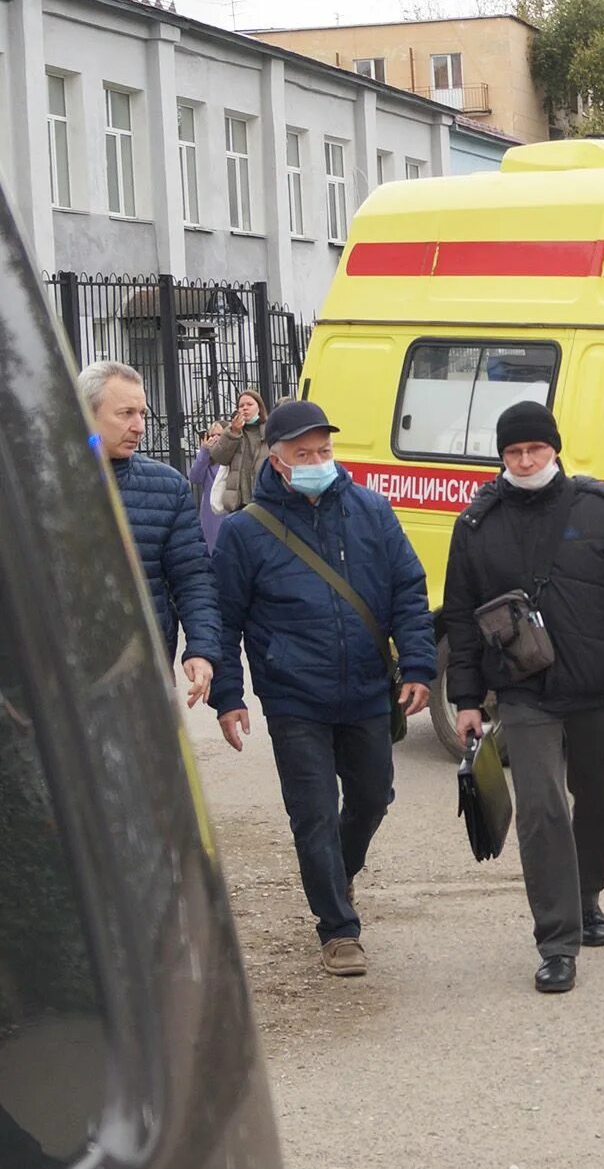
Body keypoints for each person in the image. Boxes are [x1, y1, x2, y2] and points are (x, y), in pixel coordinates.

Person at [442, 402, 604, 994]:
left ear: (554, 450)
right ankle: (557, 941)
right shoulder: (476, 525)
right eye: (514, 452)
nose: (525, 461)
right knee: (542, 810)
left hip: (597, 686)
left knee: (598, 802)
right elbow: (462, 621)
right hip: (524, 694)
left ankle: (587, 892)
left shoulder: (599, 510)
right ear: (501, 457)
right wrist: (467, 699)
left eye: (535, 450)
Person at [211, 400, 435, 978]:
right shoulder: (245, 532)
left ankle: (339, 872)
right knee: (312, 814)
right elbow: (223, 620)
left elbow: (409, 589)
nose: (317, 461)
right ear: (278, 460)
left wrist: (418, 665)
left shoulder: (370, 511)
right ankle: (338, 930)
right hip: (294, 698)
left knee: (372, 799)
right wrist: (229, 698)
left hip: (364, 689)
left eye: (324, 451)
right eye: (304, 454)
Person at [79, 361, 218, 708]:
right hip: (58, 677)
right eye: (125, 413)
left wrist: (201, 648)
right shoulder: (37, 484)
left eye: (142, 413)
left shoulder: (167, 487)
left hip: (143, 675)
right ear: (84, 413)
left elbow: (193, 576)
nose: (139, 426)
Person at [204, 389, 270, 519]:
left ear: (259, 408)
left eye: (249, 404)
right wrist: (233, 432)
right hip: (239, 502)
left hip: (264, 499)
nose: (245, 408)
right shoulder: (232, 431)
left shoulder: (268, 430)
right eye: (241, 406)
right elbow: (219, 457)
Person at [187, 424, 225, 551]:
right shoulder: (207, 460)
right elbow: (194, 477)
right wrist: (204, 451)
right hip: (211, 516)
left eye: (219, 435)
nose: (215, 438)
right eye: (212, 435)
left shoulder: (232, 458)